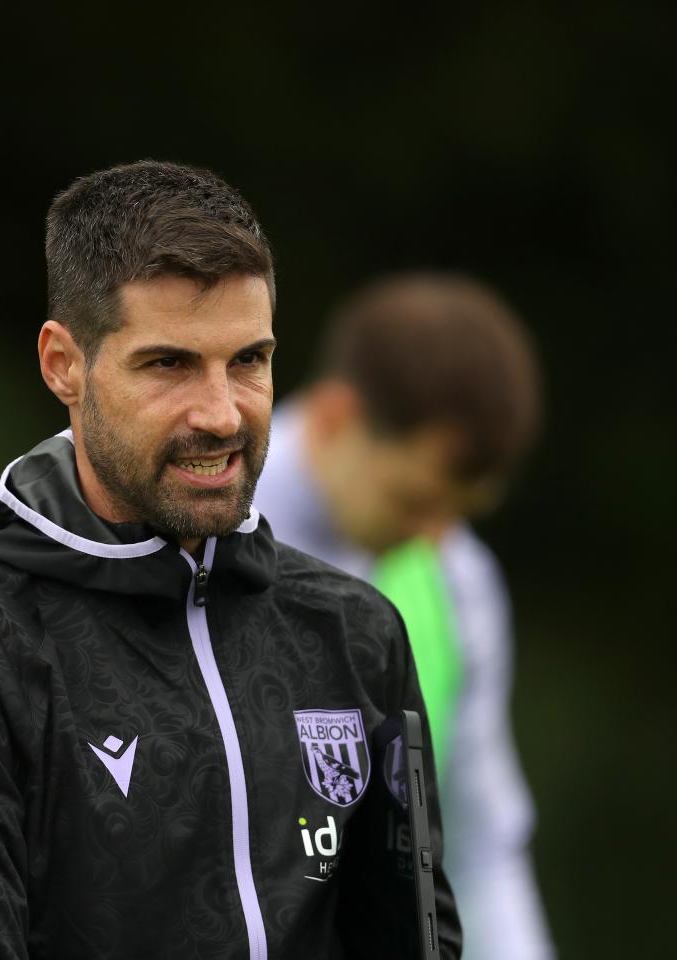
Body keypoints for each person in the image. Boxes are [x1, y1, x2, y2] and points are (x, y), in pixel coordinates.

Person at [0, 160, 461, 959]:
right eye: (170, 364)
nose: (222, 413)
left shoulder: (355, 630)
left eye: (249, 360)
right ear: (64, 364)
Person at [255, 272, 554, 959]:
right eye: (414, 500)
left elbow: (479, 847)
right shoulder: (171, 530)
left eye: (457, 513)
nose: (435, 539)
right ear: (335, 418)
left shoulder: (461, 584)